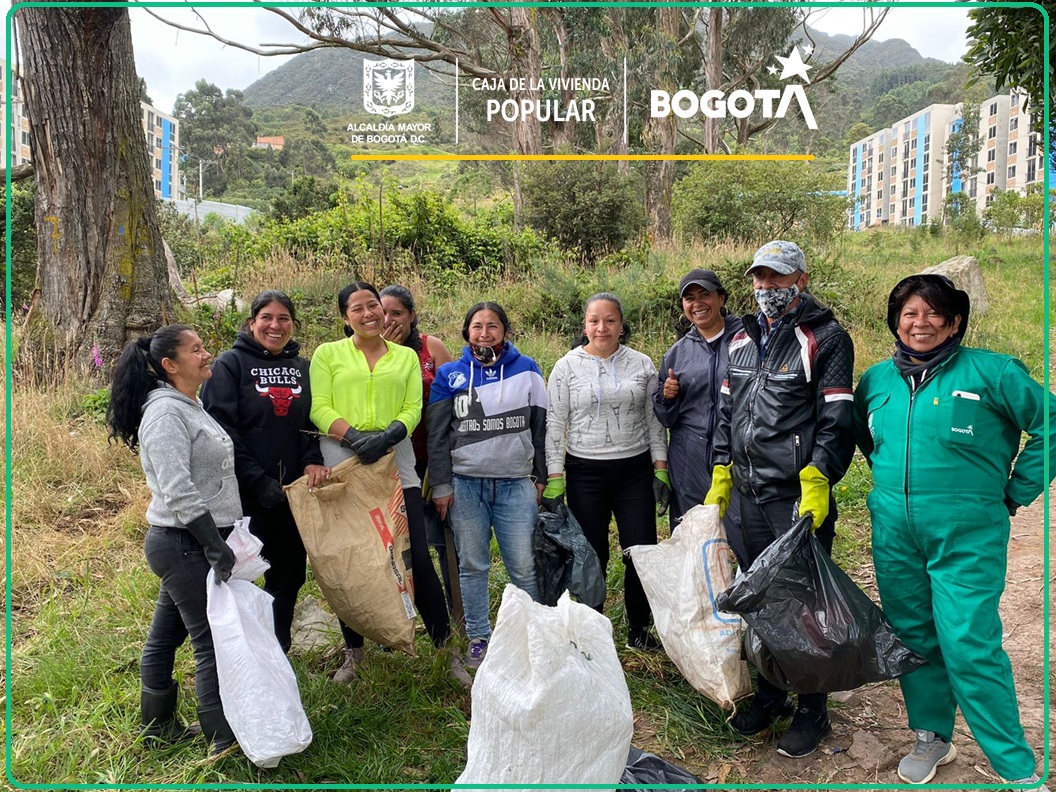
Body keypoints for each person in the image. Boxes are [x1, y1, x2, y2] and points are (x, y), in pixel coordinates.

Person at [853, 274, 1054, 789]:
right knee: (913, 636)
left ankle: (1014, 765)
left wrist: (1015, 491)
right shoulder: (876, 381)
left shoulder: (994, 372)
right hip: (895, 532)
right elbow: (867, 440)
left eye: (931, 313)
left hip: (968, 531)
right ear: (895, 321)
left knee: (967, 640)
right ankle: (932, 736)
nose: (919, 323)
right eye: (908, 314)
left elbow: (1049, 424)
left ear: (955, 320)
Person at [705, 241, 855, 758]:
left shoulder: (827, 339)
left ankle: (813, 709)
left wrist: (819, 477)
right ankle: (771, 691)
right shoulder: (741, 338)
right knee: (758, 597)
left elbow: (837, 420)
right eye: (760, 279)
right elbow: (727, 413)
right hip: (745, 494)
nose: (768, 288)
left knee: (805, 602)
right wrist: (721, 471)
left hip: (793, 496)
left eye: (779, 278)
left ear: (801, 280)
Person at [309, 282, 456, 684]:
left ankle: (447, 650)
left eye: (373, 304)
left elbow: (413, 407)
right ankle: (355, 654)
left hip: (397, 456)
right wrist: (356, 438)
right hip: (342, 456)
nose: (369, 313)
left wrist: (388, 436)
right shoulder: (327, 355)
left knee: (416, 557)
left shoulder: (406, 357)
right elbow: (319, 406)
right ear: (345, 317)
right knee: (353, 557)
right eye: (357, 308)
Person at [105, 324, 240, 755]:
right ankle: (224, 739)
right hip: (184, 541)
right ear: (170, 364)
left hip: (191, 540)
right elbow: (177, 489)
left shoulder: (189, 405)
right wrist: (213, 545)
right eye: (196, 349)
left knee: (166, 637)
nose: (206, 354)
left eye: (204, 346)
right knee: (210, 639)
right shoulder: (165, 414)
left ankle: (157, 727)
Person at [200, 291, 330, 654]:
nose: (276, 325)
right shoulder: (230, 366)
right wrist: (258, 481)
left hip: (294, 494)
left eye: (284, 318)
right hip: (243, 497)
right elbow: (222, 430)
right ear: (252, 322)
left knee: (287, 576)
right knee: (238, 575)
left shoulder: (303, 368)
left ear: (293, 324)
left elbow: (310, 424)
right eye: (267, 318)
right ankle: (237, 654)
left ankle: (278, 650)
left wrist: (310, 461)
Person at [543, 292, 670, 652]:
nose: (602, 327)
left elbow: (653, 421)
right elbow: (555, 424)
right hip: (585, 472)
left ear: (621, 325)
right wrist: (555, 478)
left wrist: (660, 468)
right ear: (584, 326)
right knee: (592, 554)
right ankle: (593, 630)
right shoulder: (566, 367)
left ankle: (639, 630)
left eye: (610, 320)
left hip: (635, 471)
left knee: (641, 552)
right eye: (594, 321)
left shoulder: (643, 364)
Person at [426, 301, 546, 673]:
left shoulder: (527, 370)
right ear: (466, 333)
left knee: (524, 567)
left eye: (493, 326)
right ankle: (479, 638)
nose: (484, 333)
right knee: (473, 566)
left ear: (505, 332)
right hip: (465, 486)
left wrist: (541, 477)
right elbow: (437, 436)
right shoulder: (450, 375)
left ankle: (533, 636)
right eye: (477, 326)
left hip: (515, 485)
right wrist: (443, 485)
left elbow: (542, 428)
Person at [379, 284, 458, 615]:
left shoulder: (432, 348)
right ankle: (403, 616)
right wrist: (388, 355)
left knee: (448, 542)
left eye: (396, 313)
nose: (388, 320)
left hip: (437, 459)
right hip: (389, 465)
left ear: (412, 316)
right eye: (381, 313)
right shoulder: (367, 357)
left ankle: (460, 619)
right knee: (403, 544)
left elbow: (459, 401)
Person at [653, 269, 743, 543]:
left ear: (721, 298)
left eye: (705, 295)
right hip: (688, 458)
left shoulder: (747, 341)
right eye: (689, 298)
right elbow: (665, 417)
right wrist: (667, 397)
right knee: (692, 544)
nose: (697, 304)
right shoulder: (677, 353)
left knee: (744, 539)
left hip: (736, 457)